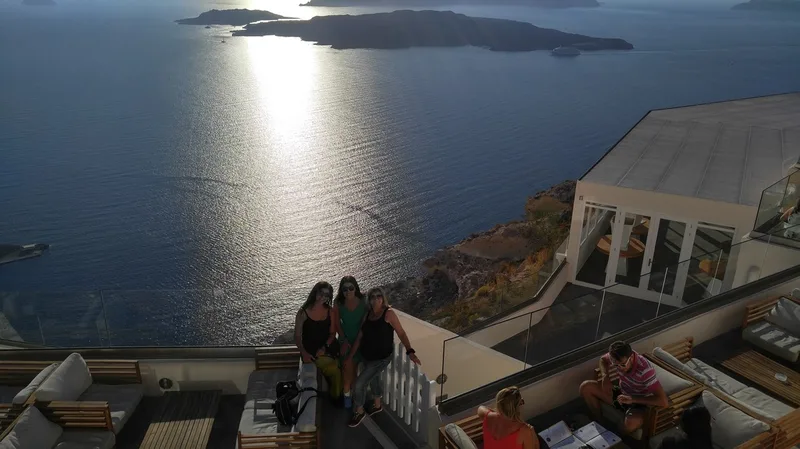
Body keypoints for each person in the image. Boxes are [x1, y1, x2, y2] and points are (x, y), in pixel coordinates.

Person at [347, 287, 421, 427]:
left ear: (383, 298)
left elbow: (401, 333)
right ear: (369, 300)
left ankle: (359, 411)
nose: (376, 299)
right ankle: (377, 405)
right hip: (366, 355)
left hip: (381, 358)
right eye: (373, 296)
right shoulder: (368, 315)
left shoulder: (388, 313)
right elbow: (360, 336)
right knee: (374, 379)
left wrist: (410, 351)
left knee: (359, 384)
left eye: (379, 296)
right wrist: (350, 355)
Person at [579, 341, 668, 435]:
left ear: (632, 357)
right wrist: (605, 376)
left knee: (630, 423)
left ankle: (616, 436)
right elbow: (603, 359)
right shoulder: (617, 357)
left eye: (623, 365)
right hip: (621, 394)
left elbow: (663, 401)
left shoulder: (645, 370)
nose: (620, 368)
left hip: (640, 403)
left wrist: (632, 399)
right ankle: (600, 424)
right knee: (585, 387)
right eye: (616, 365)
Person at [294, 281, 342, 402]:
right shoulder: (303, 312)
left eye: (326, 295)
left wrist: (325, 347)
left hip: (328, 348)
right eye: (321, 293)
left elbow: (332, 334)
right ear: (315, 292)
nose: (322, 297)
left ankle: (338, 394)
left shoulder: (330, 311)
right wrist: (304, 353)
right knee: (335, 370)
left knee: (343, 365)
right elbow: (297, 337)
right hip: (311, 352)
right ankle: (336, 398)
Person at [332, 276, 367, 409]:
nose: (348, 291)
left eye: (351, 288)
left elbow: (367, 320)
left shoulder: (364, 301)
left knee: (356, 374)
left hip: (361, 341)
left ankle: (355, 400)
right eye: (345, 289)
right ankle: (347, 403)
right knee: (347, 373)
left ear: (355, 288)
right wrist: (344, 339)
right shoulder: (338, 303)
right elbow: (336, 323)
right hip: (346, 341)